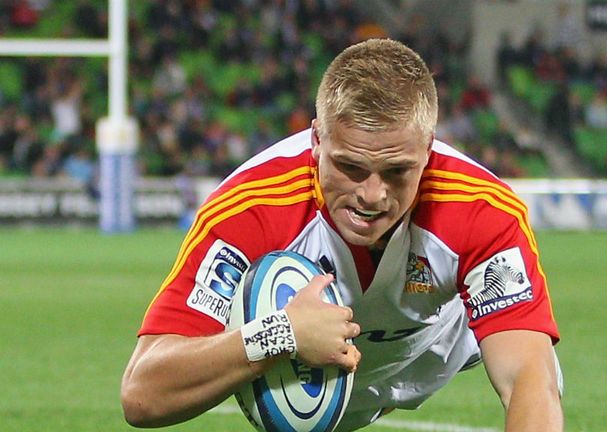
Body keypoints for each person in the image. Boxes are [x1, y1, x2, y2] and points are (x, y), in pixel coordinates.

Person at [121, 39, 563, 432]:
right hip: (314, 378)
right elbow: (143, 394)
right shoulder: (251, 207)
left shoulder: (481, 206)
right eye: (350, 167)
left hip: (437, 347)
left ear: (429, 150)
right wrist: (280, 334)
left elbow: (529, 378)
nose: (371, 196)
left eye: (397, 172)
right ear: (316, 140)